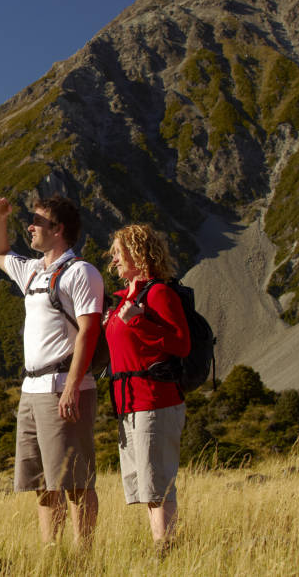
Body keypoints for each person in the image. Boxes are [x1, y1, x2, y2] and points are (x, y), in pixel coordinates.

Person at [0, 195, 104, 548]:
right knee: (42, 482)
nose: (31, 226)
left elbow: (89, 330)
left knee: (75, 481)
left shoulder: (81, 272)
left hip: (64, 386)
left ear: (59, 230)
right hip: (33, 388)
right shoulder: (36, 270)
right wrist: (0, 218)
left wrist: (71, 387)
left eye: (38, 221)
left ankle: (84, 557)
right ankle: (52, 554)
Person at [105, 224, 190, 547]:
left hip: (154, 400)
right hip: (130, 404)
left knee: (157, 485)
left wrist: (138, 320)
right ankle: (162, 546)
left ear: (137, 254)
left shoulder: (159, 294)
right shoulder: (125, 298)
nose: (113, 261)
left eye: (118, 253)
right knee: (146, 485)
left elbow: (181, 344)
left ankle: (164, 550)